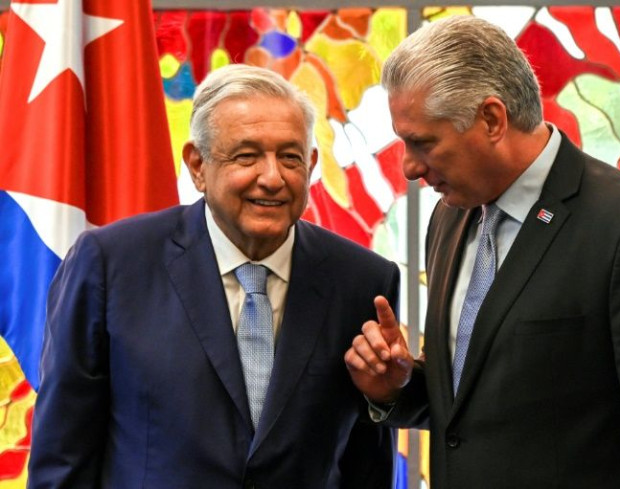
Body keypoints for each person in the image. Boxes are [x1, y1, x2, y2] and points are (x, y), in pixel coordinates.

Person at [345, 15, 620, 489]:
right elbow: (474, 409)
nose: (409, 167)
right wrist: (398, 387)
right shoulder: (449, 218)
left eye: (423, 143)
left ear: (492, 119)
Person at [28, 64, 400, 489]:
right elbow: (63, 456)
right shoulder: (111, 265)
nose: (273, 177)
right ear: (197, 165)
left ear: (313, 165)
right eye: (247, 156)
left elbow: (368, 465)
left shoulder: (362, 280)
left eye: (290, 157)